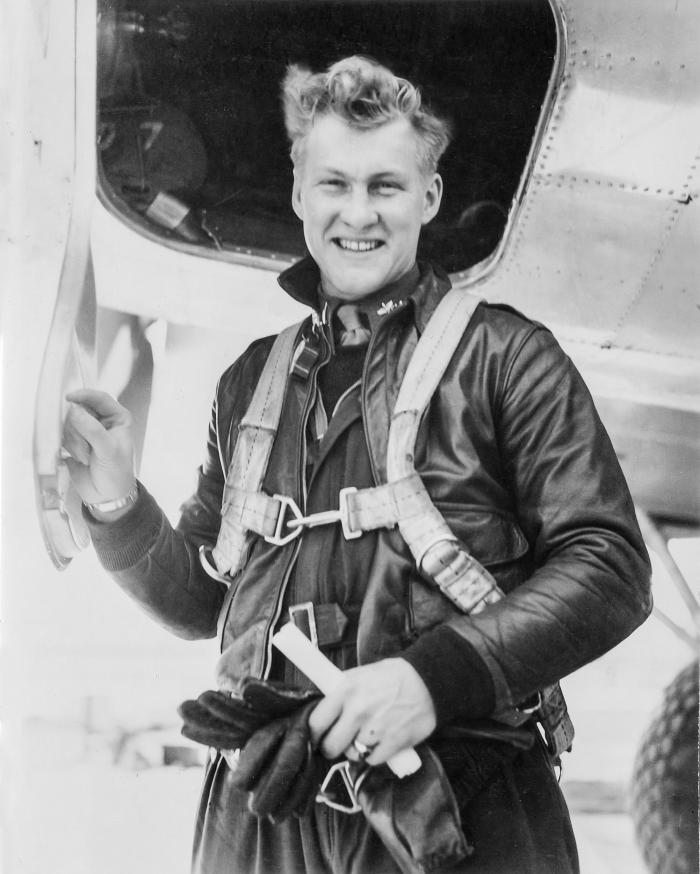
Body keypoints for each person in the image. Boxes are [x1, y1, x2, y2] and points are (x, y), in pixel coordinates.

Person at [63, 56, 652, 874]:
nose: (358, 214)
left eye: (386, 186)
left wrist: (429, 682)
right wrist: (120, 507)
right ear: (300, 193)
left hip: (455, 796)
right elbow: (204, 601)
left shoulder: (508, 357)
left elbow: (611, 565)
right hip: (263, 803)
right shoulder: (249, 383)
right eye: (334, 185)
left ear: (430, 198)